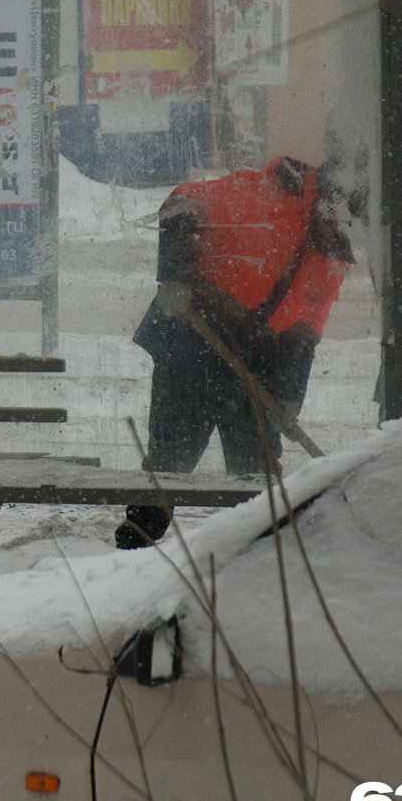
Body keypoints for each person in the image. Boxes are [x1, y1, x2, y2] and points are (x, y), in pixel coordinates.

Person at [116, 153, 360, 549]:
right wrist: (175, 275)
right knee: (169, 464)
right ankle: (135, 548)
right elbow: (185, 200)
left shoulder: (332, 250)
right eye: (341, 219)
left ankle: (263, 557)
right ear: (330, 201)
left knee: (257, 478)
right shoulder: (268, 191)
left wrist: (286, 397)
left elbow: (305, 330)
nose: (343, 231)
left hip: (253, 366)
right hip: (190, 345)